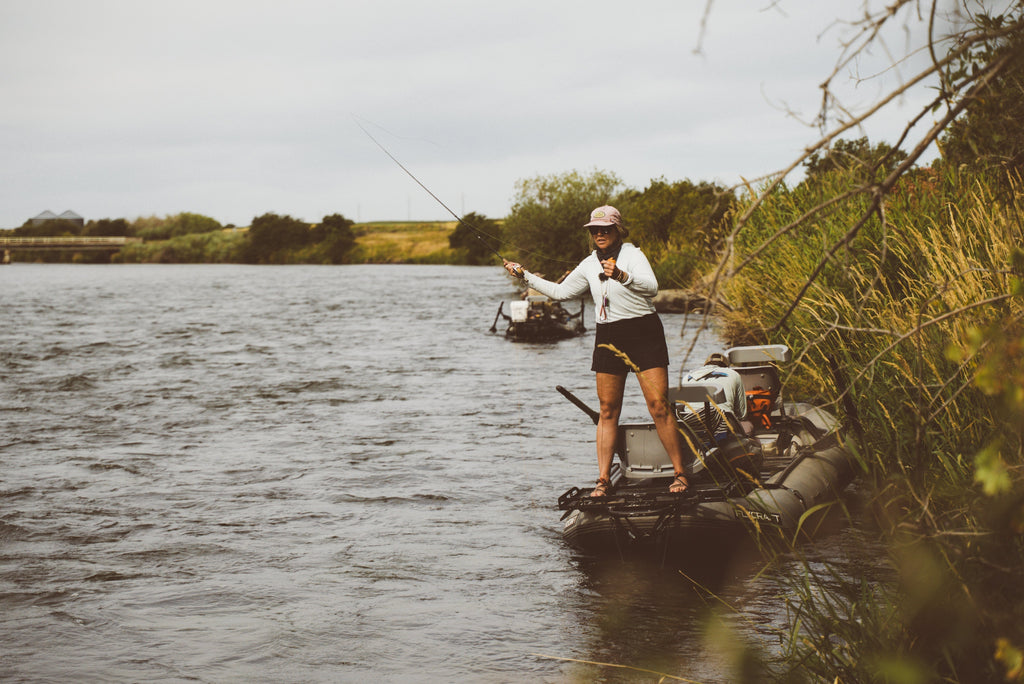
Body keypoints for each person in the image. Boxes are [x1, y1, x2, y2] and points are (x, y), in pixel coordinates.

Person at [503, 205, 690, 497]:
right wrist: (524, 275)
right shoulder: (589, 264)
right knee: (607, 410)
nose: (600, 234)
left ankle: (680, 473)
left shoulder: (633, 255)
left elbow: (652, 288)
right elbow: (562, 292)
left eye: (605, 229)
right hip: (608, 335)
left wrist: (622, 276)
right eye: (595, 230)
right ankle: (603, 480)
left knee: (658, 406)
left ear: (617, 230)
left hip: (644, 332)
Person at [682, 352, 749, 423]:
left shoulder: (687, 377)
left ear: (705, 365)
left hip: (692, 423)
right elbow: (742, 415)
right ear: (726, 366)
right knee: (748, 425)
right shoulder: (733, 374)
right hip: (723, 423)